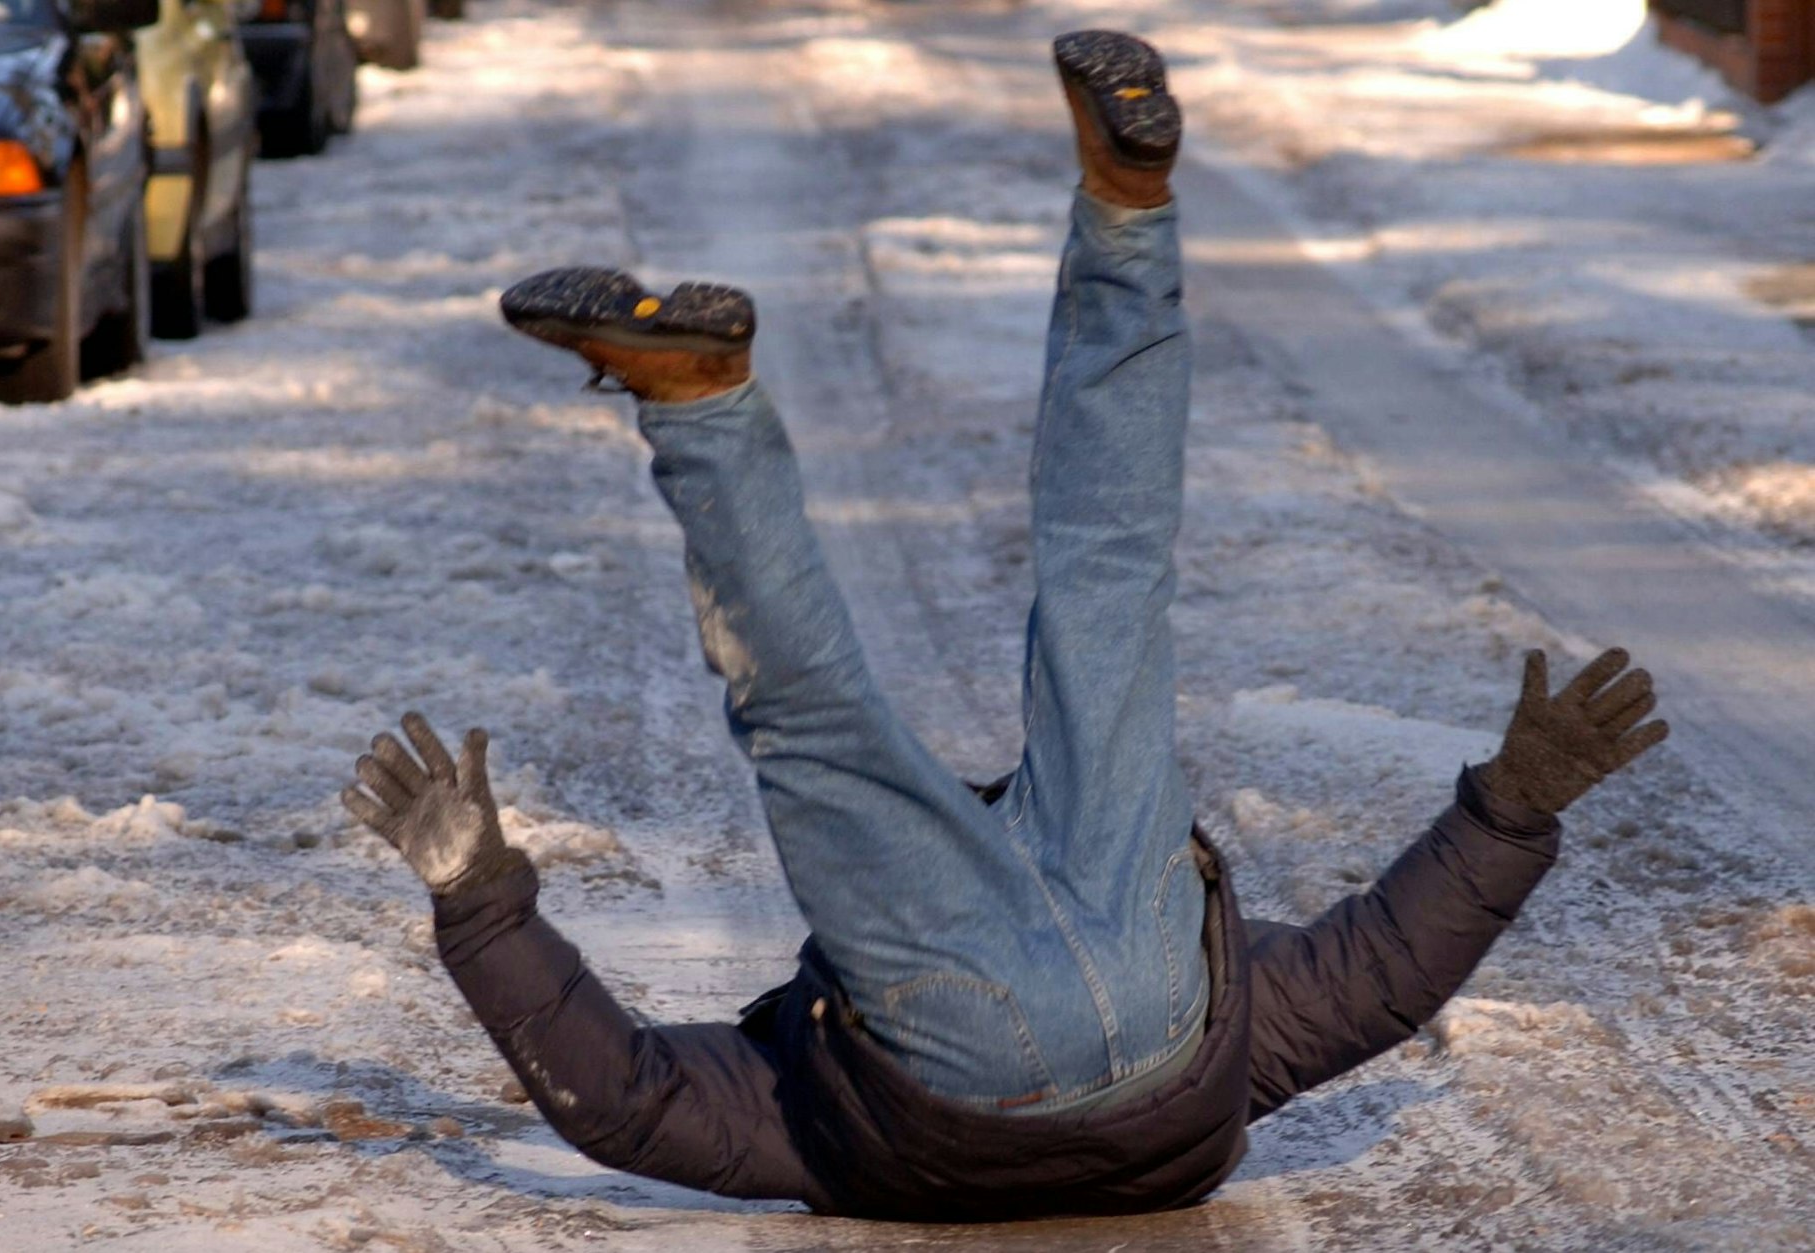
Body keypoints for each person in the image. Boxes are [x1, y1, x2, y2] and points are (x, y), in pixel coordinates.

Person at [338, 30, 1669, 1221]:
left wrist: (1512, 807)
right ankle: (697, 403)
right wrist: (475, 896)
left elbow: (1381, 976)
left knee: (1114, 584)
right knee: (813, 721)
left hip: (1164, 1013)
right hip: (962, 1046)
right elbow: (625, 1101)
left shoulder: (1239, 1044)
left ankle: (1131, 209)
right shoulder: (806, 1115)